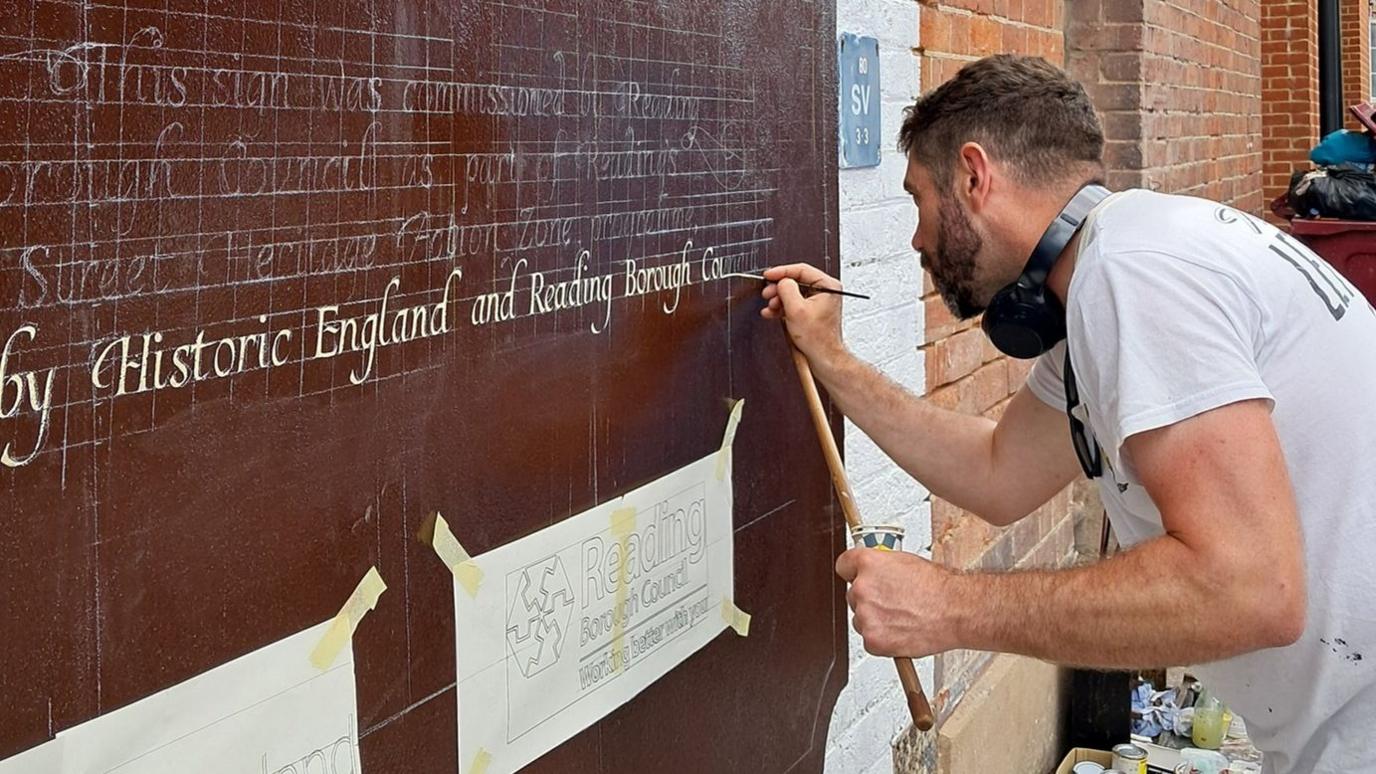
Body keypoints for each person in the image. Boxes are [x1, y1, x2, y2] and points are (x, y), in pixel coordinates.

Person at [761, 55, 1376, 773]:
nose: (917, 239)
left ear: (973, 175)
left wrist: (950, 607)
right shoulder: (1116, 267)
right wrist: (831, 358)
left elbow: (1249, 589)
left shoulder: (1135, 272)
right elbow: (997, 473)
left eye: (918, 199)